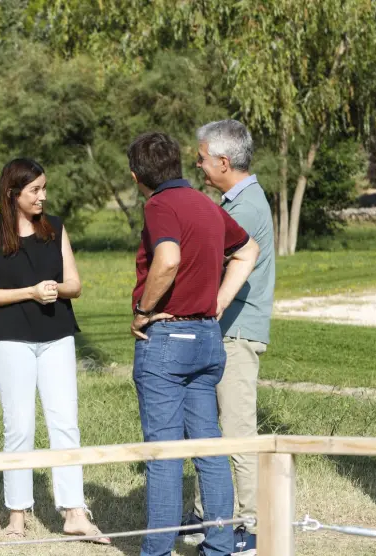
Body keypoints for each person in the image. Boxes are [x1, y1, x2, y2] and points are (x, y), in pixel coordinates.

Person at [126, 131, 259, 556]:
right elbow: (247, 249)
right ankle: (220, 547)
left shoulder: (159, 205)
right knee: (209, 447)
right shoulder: (207, 204)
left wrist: (145, 310)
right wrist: (218, 301)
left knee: (165, 452)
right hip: (206, 338)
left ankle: (157, 551)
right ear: (180, 165)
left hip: (168, 338)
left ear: (136, 176)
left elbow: (167, 259)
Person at [0, 158, 110, 544]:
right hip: (8, 337)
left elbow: (75, 284)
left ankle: (74, 512)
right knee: (20, 425)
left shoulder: (55, 228)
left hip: (57, 334)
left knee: (65, 421)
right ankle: (17, 514)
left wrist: (55, 288)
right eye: (35, 190)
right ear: (13, 193)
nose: (42, 196)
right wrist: (29, 292)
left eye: (44, 188)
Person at [180, 120, 276, 553]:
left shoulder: (245, 208)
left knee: (237, 433)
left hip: (235, 334)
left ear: (222, 161)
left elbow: (206, 262)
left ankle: (248, 528)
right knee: (213, 429)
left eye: (201, 158)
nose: (197, 165)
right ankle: (209, 515)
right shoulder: (238, 200)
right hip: (225, 330)